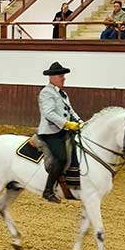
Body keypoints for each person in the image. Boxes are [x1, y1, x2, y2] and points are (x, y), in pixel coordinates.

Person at [37, 62, 82, 204]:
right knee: (61, 157)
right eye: (61, 75)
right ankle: (48, 190)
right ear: (52, 77)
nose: (64, 78)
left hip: (63, 130)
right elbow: (49, 114)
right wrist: (66, 124)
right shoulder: (46, 93)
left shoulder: (62, 93)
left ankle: (73, 179)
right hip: (50, 132)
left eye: (63, 76)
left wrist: (80, 122)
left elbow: (70, 110)